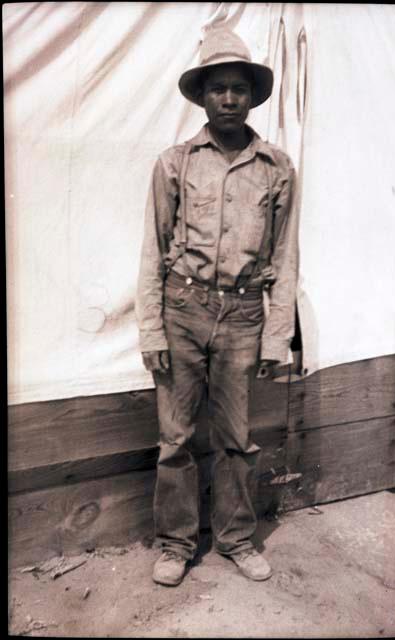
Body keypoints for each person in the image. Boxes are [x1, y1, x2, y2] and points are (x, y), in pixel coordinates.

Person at [136, 28, 297, 587]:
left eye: (238, 89)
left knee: (236, 435)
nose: (228, 99)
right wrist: (151, 330)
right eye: (218, 89)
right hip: (183, 309)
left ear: (252, 96)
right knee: (176, 436)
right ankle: (176, 542)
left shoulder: (277, 169)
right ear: (202, 96)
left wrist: (277, 336)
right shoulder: (175, 164)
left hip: (245, 315)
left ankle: (233, 538)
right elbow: (153, 251)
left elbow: (285, 255)